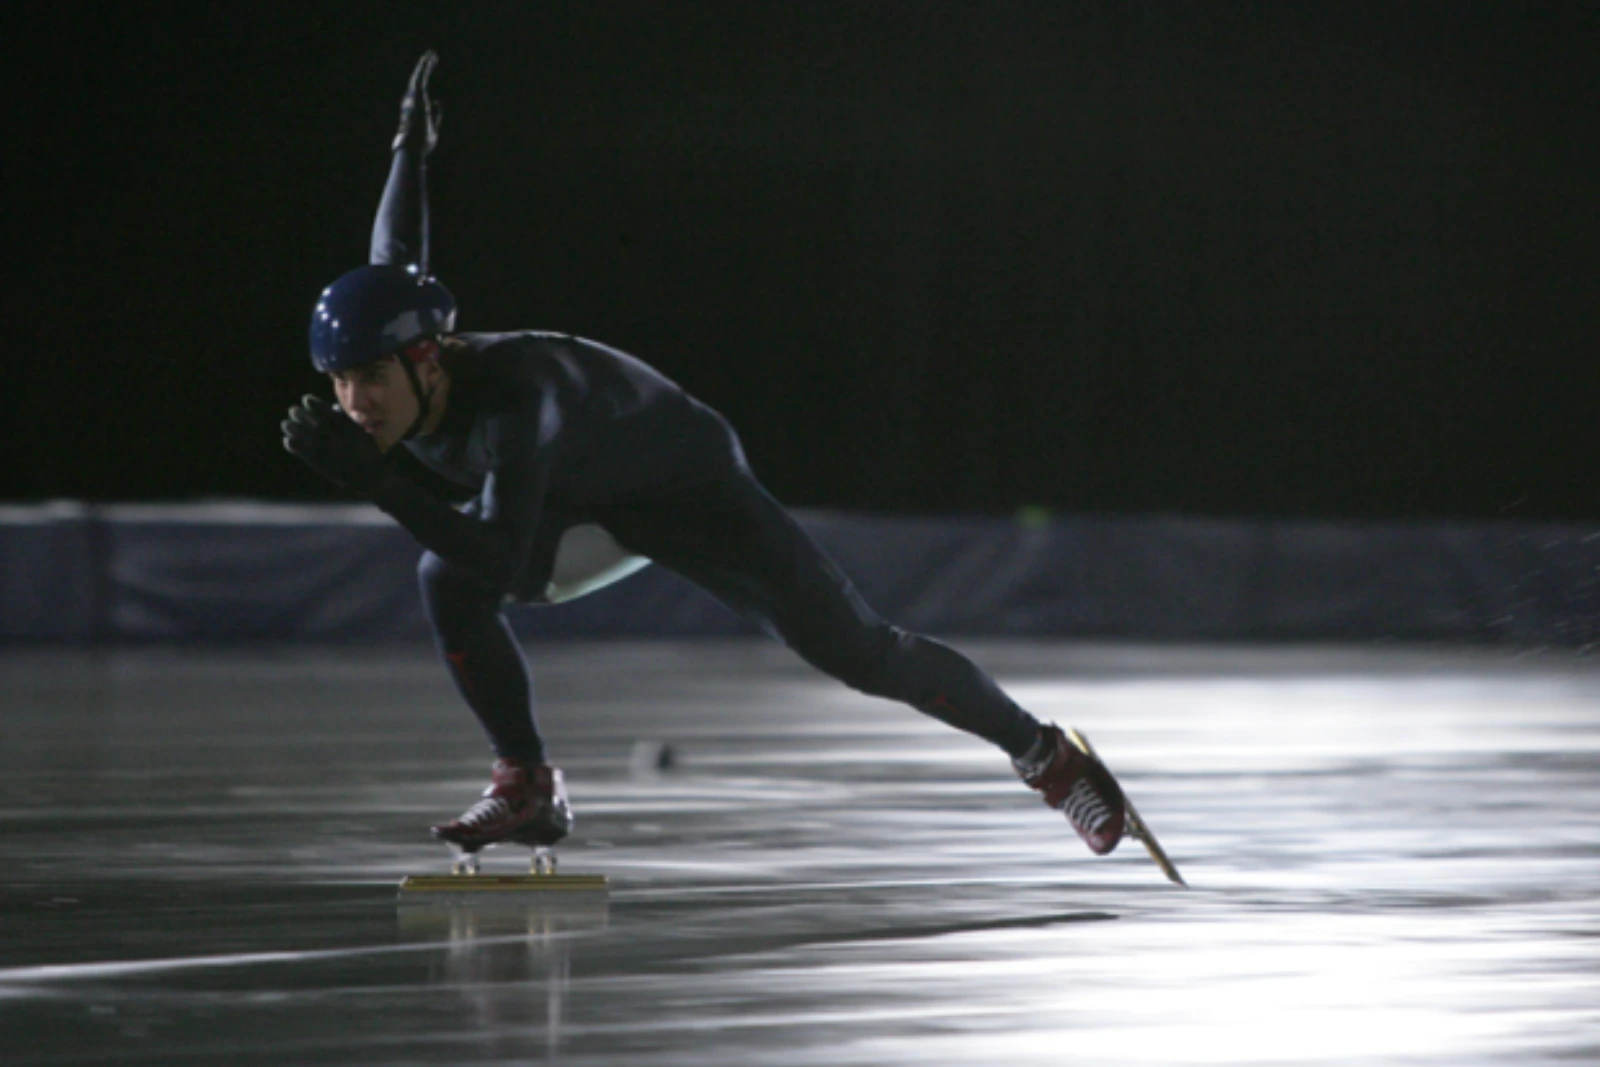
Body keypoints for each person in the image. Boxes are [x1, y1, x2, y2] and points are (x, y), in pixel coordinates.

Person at [283, 53, 1126, 863]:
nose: (356, 404)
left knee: (862, 651)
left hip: (685, 485)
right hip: (579, 491)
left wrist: (378, 479)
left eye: (368, 379)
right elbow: (394, 254)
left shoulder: (519, 396)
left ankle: (1047, 756)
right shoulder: (411, 352)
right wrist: (409, 146)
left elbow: (501, 552)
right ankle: (527, 782)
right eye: (340, 381)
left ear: (427, 357)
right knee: (443, 575)